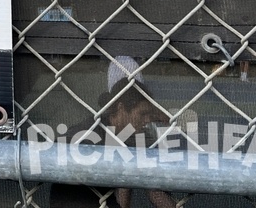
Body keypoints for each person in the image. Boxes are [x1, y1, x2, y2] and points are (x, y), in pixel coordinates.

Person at [48, 59, 175, 208]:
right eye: (143, 114)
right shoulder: (88, 133)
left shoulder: (133, 136)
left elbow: (153, 190)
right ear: (121, 108)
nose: (147, 120)